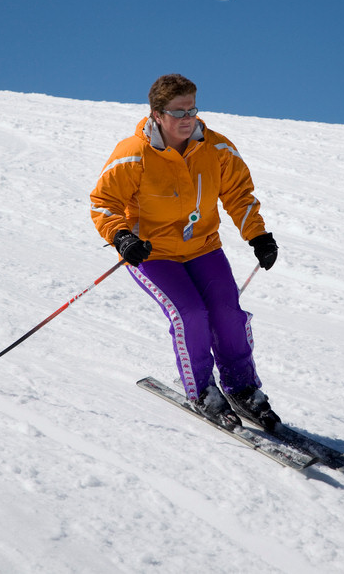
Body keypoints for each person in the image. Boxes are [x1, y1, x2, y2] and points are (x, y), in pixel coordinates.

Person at [90, 74, 280, 430]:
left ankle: (242, 387)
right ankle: (203, 391)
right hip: (152, 253)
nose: (187, 117)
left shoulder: (216, 148)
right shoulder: (134, 153)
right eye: (178, 111)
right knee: (190, 313)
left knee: (226, 312)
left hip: (203, 247)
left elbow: (239, 194)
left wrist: (258, 236)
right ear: (157, 114)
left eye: (192, 108)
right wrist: (122, 238)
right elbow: (104, 203)